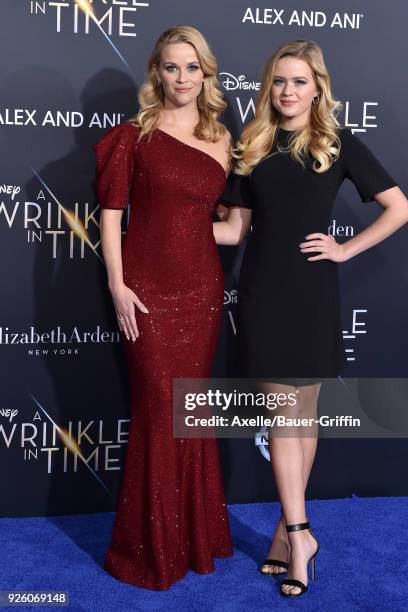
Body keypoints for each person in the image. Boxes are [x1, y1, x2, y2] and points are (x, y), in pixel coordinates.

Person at [214, 39, 408, 597]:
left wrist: (346, 250)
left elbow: (400, 207)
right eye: (279, 81)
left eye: (299, 81)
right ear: (267, 86)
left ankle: (286, 531)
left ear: (317, 87)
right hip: (263, 292)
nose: (287, 91)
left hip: (313, 291)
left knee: (303, 410)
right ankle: (301, 533)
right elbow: (233, 230)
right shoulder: (252, 145)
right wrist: (166, 231)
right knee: (282, 410)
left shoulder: (337, 143)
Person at [93, 25, 234, 590]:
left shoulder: (226, 139)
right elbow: (110, 216)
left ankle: (195, 540)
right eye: (171, 67)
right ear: (157, 71)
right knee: (158, 411)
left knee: (189, 411)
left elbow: (229, 228)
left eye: (192, 67)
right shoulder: (134, 136)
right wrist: (118, 285)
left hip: (200, 290)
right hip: (146, 292)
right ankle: (149, 549)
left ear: (206, 73)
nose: (182, 78)